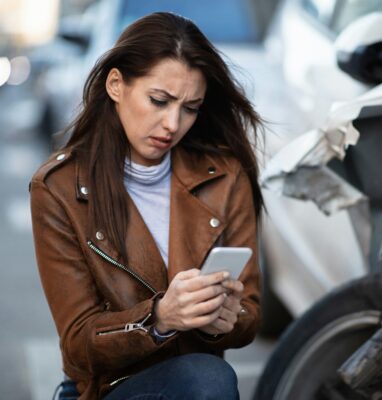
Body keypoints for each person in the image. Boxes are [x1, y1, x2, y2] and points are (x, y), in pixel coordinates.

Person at [30, 12, 263, 400]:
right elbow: (77, 341)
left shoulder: (224, 176)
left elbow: (250, 314)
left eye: (190, 108)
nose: (173, 123)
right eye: (159, 100)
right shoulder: (59, 189)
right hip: (107, 388)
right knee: (208, 378)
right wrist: (157, 319)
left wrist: (225, 321)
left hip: (197, 382)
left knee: (206, 376)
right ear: (116, 85)